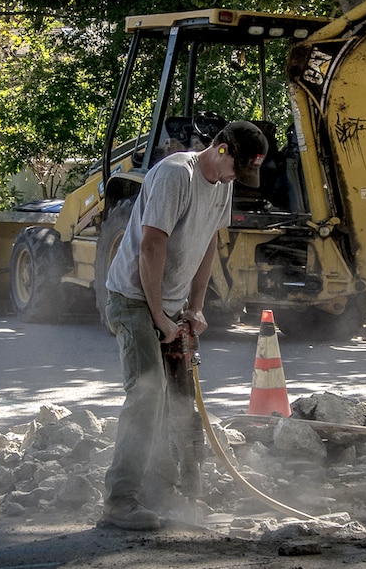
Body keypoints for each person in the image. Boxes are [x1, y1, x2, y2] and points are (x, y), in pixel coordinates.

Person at [102, 120, 268, 530]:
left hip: (171, 306)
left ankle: (162, 489)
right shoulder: (177, 174)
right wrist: (159, 315)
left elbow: (209, 241)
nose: (237, 179)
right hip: (133, 299)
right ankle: (119, 501)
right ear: (222, 150)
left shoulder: (224, 184)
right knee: (147, 392)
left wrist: (194, 306)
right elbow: (151, 244)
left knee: (177, 400)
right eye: (237, 168)